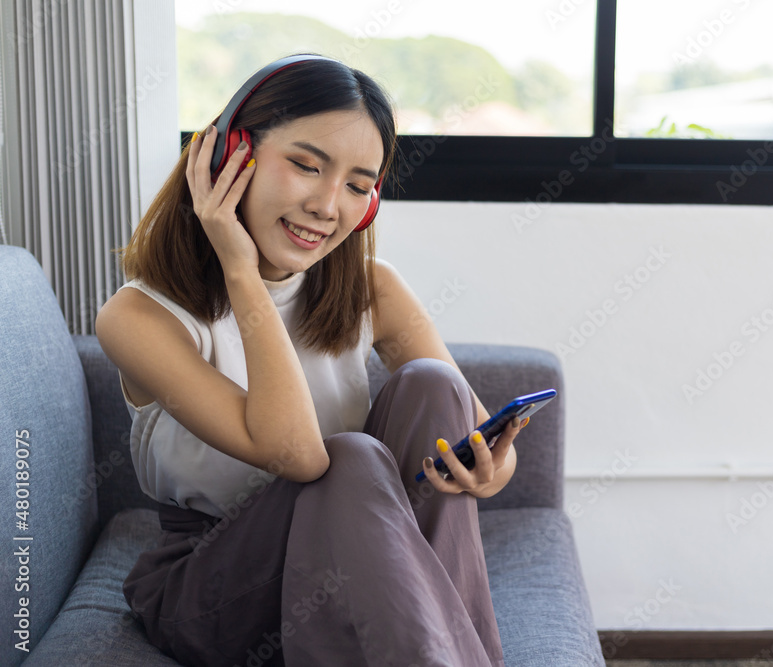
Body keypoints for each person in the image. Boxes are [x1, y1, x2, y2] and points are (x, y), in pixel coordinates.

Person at [95, 53, 521, 666]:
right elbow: (297, 454)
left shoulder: (373, 286)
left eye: (356, 185)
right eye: (305, 165)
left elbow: (485, 449)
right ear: (226, 160)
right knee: (348, 457)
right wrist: (242, 272)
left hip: (368, 571)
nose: (328, 206)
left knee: (432, 386)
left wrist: (487, 471)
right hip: (217, 587)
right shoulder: (138, 318)